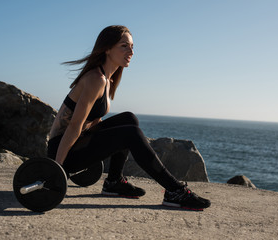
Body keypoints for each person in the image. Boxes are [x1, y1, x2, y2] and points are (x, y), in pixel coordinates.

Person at [47, 25, 210, 211]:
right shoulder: (95, 79)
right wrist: (56, 169)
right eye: (124, 46)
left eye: (132, 46)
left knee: (129, 119)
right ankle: (175, 190)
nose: (131, 51)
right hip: (62, 151)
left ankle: (114, 181)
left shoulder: (108, 79)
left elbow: (93, 122)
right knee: (130, 133)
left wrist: (111, 137)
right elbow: (74, 126)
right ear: (107, 48)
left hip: (77, 144)